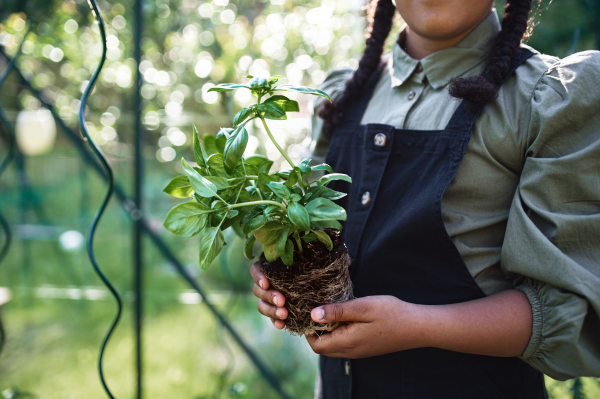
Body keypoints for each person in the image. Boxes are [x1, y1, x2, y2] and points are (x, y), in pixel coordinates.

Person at [249, 0, 600, 397]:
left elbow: (567, 312)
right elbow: (304, 235)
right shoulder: (343, 94)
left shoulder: (543, 99)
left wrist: (417, 325)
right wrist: (278, 277)